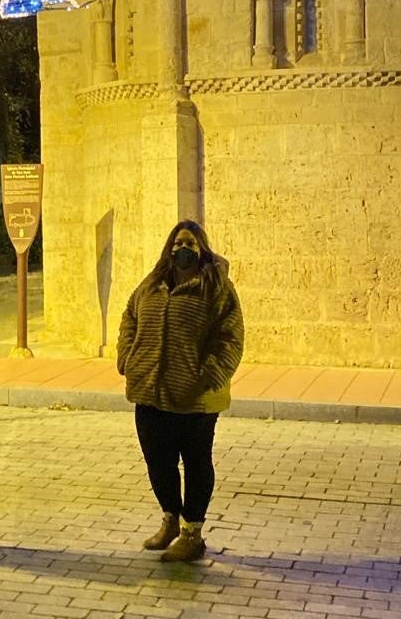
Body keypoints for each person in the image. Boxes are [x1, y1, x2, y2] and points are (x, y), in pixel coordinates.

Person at [117, 219, 244, 562]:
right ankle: (170, 519)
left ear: (202, 248)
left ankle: (192, 534)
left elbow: (230, 336)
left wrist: (207, 376)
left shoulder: (216, 287)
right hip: (149, 390)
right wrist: (128, 357)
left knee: (196, 463)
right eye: (177, 243)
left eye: (190, 243)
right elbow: (129, 318)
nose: (182, 249)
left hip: (195, 398)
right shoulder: (152, 283)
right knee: (158, 462)